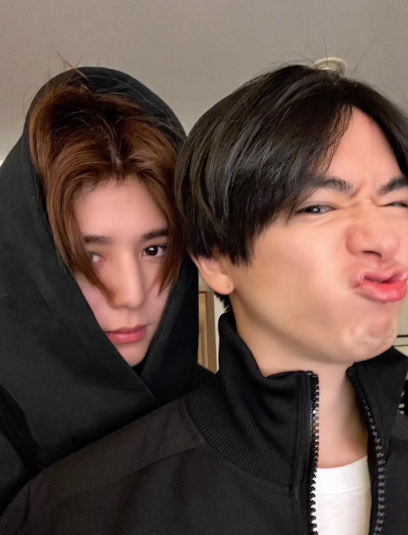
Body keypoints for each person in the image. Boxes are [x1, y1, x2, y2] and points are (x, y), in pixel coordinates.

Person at [2, 63, 408, 535]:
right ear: (213, 256)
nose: (131, 294)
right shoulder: (66, 506)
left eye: (398, 203)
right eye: (318, 207)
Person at [0, 67, 202, 515]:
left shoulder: (226, 418)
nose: (130, 294)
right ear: (34, 265)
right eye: (91, 255)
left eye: (153, 249)